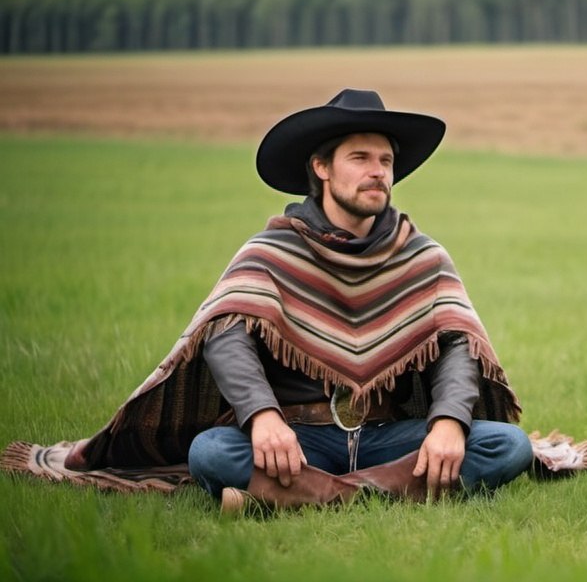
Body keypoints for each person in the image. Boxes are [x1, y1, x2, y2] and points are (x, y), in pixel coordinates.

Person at [1, 88, 536, 512]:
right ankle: (378, 494)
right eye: (360, 158)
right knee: (211, 453)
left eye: (386, 160)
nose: (379, 171)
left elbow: (457, 347)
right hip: (297, 438)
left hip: (387, 434)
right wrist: (261, 417)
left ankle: (304, 500)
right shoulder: (272, 250)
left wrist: (447, 422)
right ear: (321, 167)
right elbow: (225, 338)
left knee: (508, 446)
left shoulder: (421, 255)